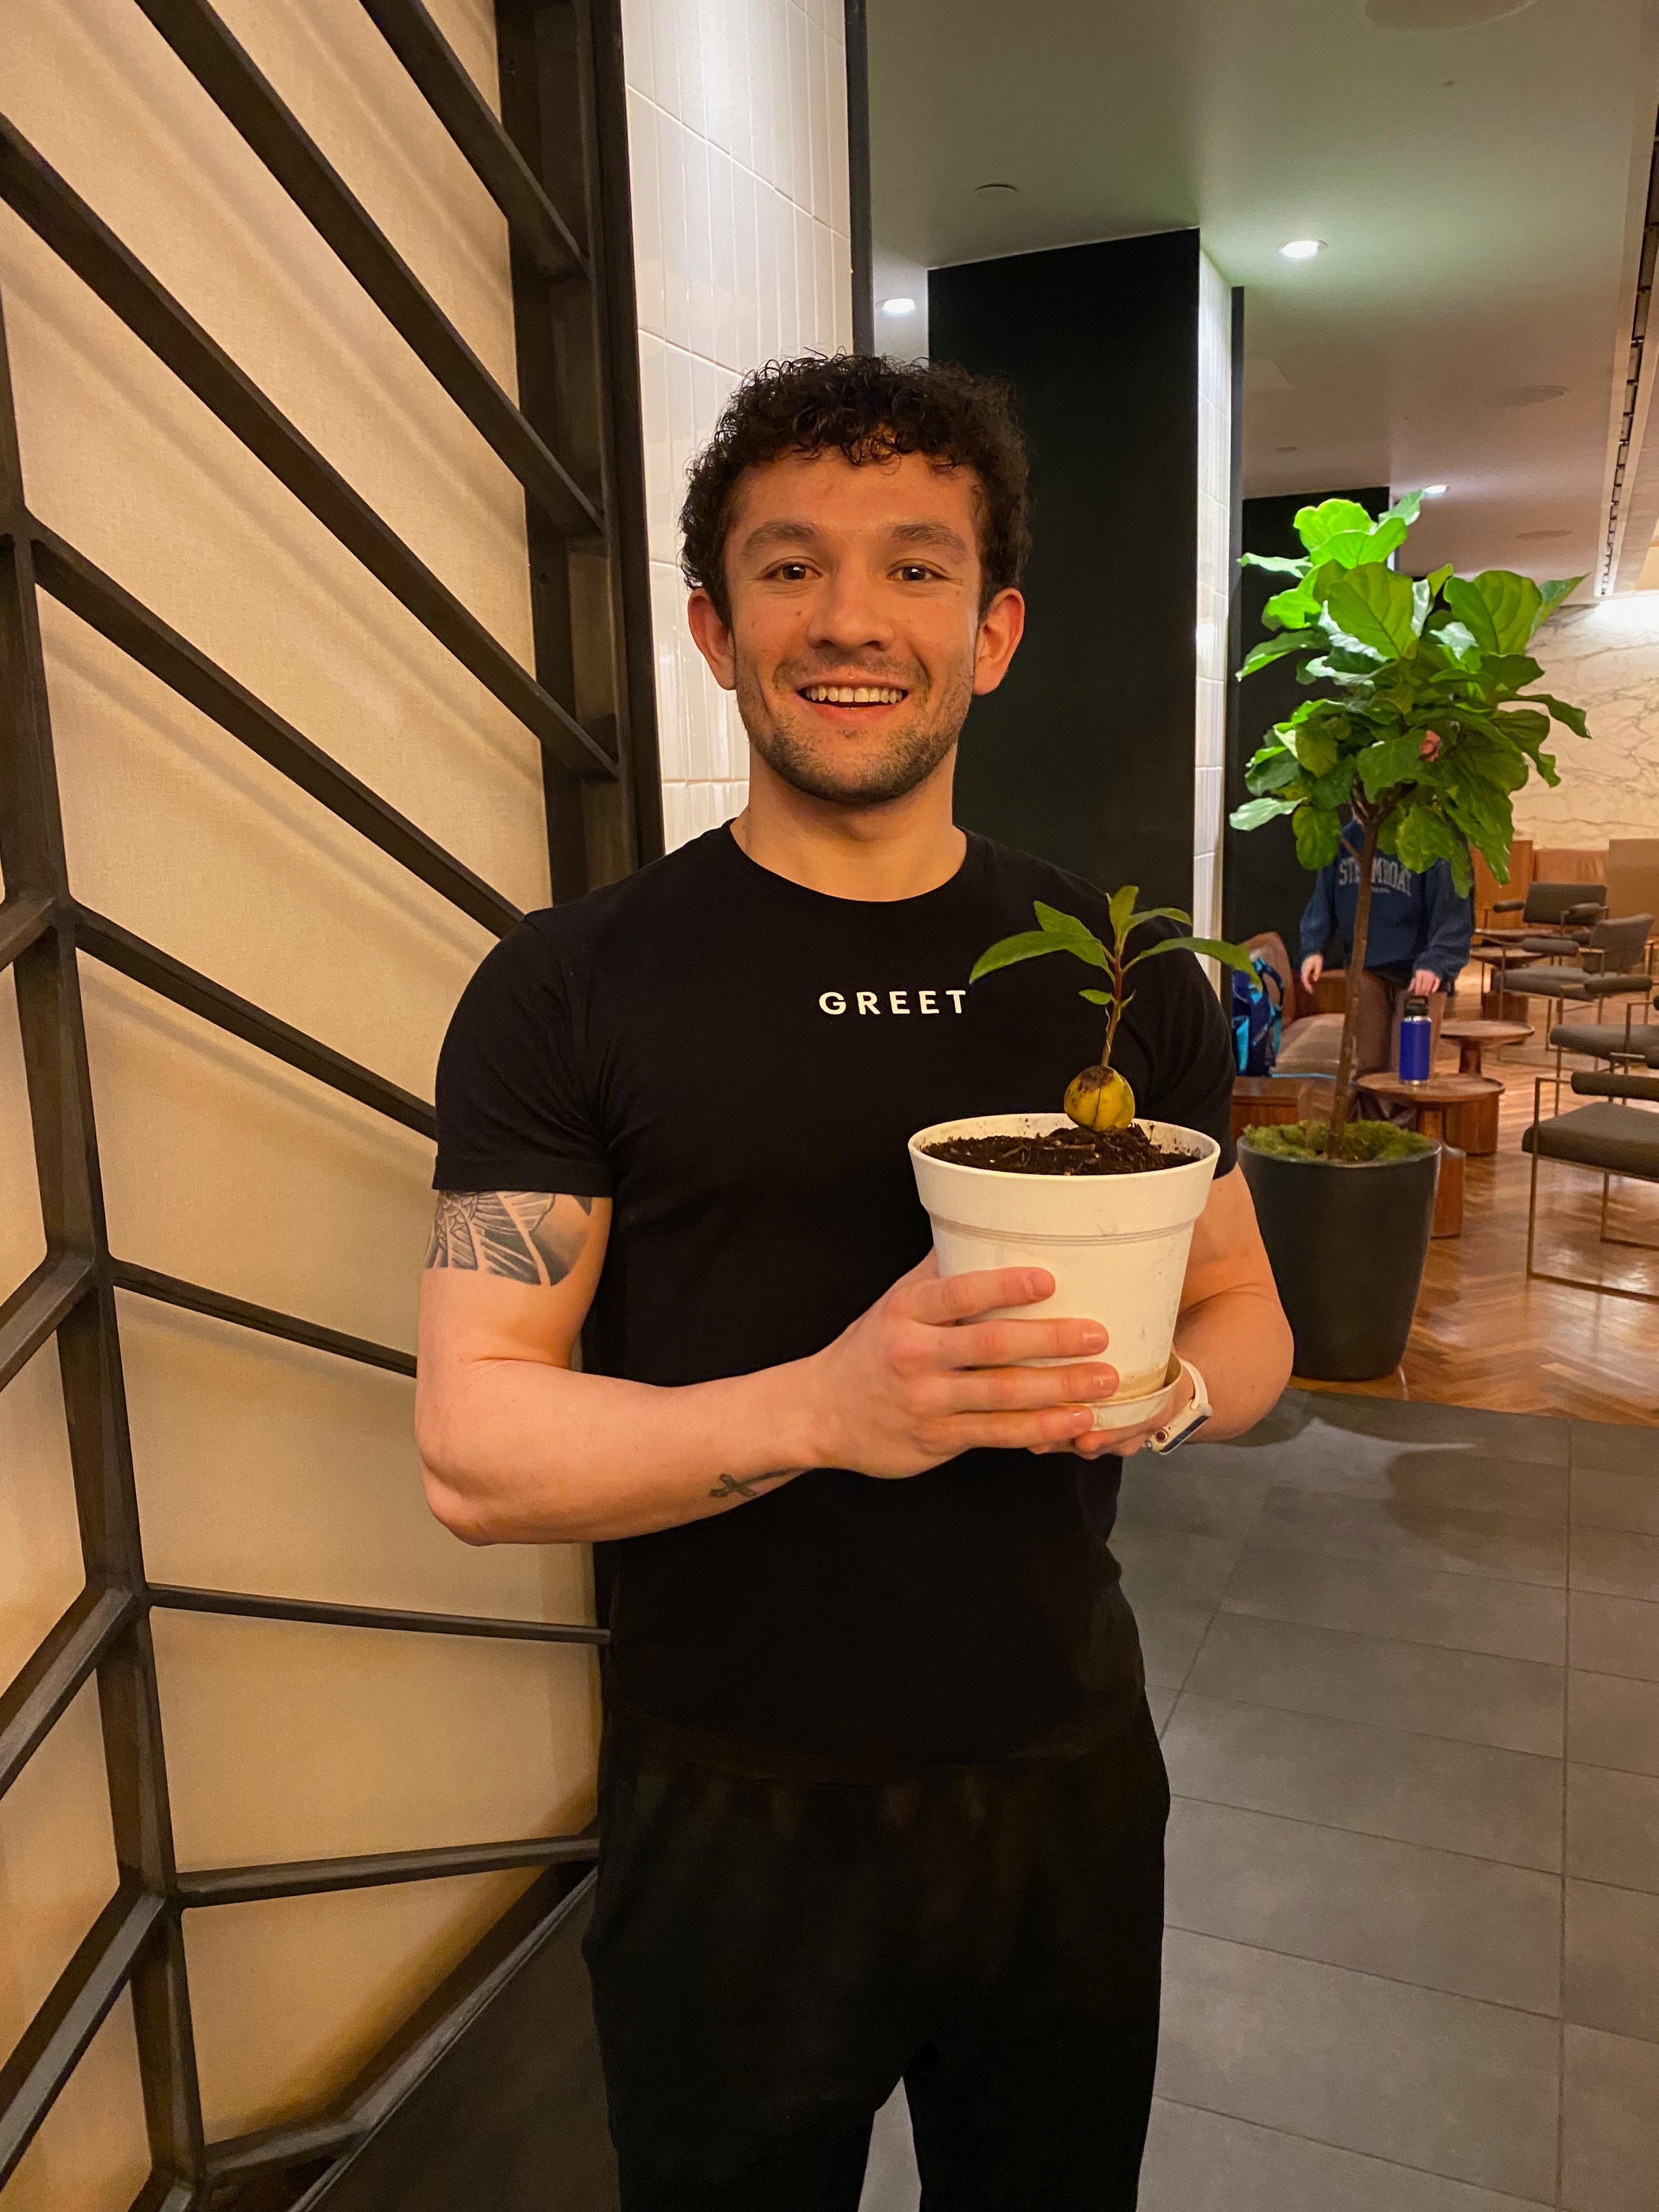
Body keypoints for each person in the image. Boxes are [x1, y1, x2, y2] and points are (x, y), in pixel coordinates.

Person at [417, 354, 1294, 2211]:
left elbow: (1244, 1306)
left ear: (994, 632)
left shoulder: (1121, 981)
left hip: (1060, 1774)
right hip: (729, 1806)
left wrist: (1184, 1392)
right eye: (788, 566)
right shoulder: (569, 987)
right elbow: (475, 1448)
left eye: (913, 568)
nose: (848, 619)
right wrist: (833, 1407)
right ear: (710, 627)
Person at [1298, 812, 1473, 1095]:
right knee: (1369, 1069)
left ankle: (1407, 1136)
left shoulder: (1434, 838)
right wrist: (1313, 948)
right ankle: (1373, 1130)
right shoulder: (1346, 839)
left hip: (1419, 971)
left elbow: (1454, 911)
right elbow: (1324, 897)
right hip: (1366, 965)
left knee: (1411, 1072)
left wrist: (1437, 962)